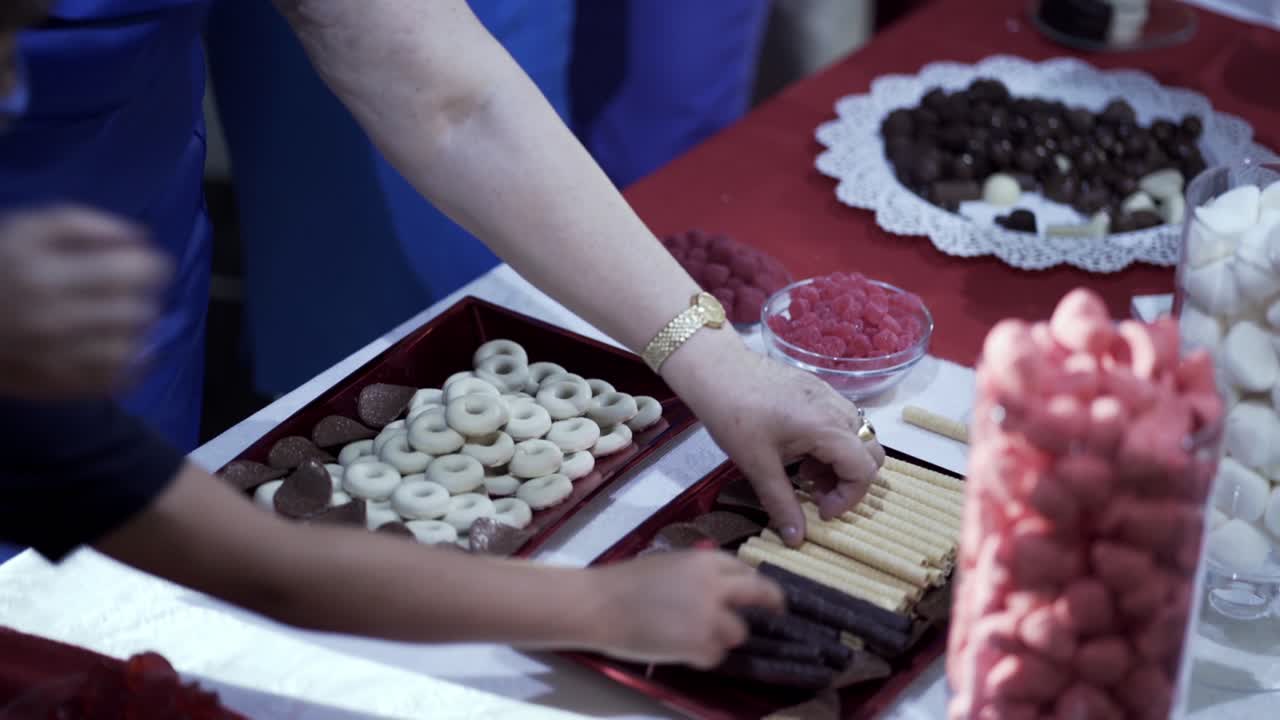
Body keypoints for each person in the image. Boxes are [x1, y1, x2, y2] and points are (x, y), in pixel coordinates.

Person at [0, 0, 885, 668]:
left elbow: (446, 92)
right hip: (51, 329)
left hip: (106, 298)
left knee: (113, 622)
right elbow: (246, 559)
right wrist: (592, 612)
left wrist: (713, 360)